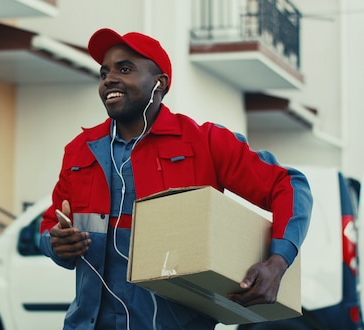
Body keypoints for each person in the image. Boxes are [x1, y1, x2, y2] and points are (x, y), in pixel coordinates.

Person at [38, 28, 313, 330]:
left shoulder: (204, 142)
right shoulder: (79, 151)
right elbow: (50, 225)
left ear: (160, 83)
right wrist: (56, 244)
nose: (109, 79)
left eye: (125, 69)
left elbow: (289, 186)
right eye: (104, 73)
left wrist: (277, 262)